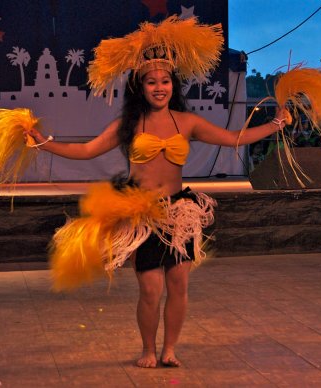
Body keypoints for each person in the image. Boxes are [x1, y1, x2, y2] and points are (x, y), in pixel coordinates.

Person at [24, 17, 289, 369]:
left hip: (180, 212)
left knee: (179, 285)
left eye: (165, 81)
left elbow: (233, 139)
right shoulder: (129, 125)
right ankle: (148, 348)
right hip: (142, 212)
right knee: (150, 290)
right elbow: (87, 151)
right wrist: (44, 142)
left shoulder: (187, 121)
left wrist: (274, 124)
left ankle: (170, 349)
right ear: (141, 86)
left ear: (172, 84)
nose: (159, 87)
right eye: (152, 82)